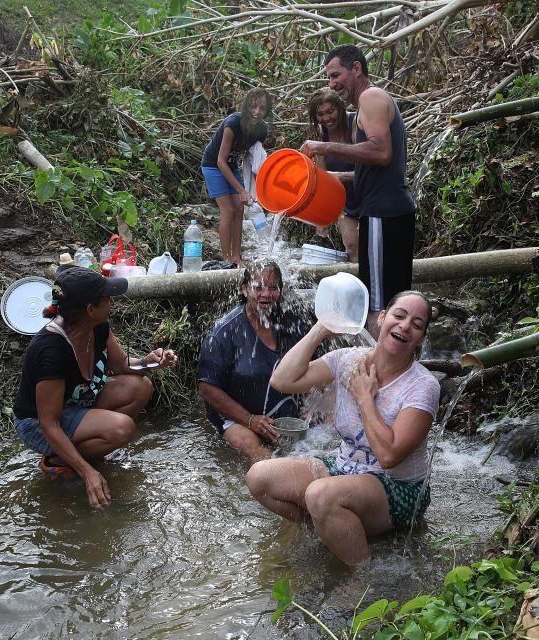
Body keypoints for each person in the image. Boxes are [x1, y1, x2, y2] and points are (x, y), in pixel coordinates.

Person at [246, 291, 440, 566]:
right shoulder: (348, 359)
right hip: (344, 469)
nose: (405, 326)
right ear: (382, 318)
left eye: (417, 325)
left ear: (420, 338)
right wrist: (321, 328)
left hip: (398, 488)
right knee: (259, 477)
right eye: (399, 315)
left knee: (319, 494)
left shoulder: (422, 386)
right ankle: (333, 527)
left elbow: (389, 456)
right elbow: (282, 379)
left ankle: (360, 577)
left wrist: (364, 399)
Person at [12, 267, 178, 508]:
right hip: (38, 424)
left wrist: (150, 362)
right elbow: (49, 423)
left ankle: (89, 449)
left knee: (140, 386)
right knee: (121, 428)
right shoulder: (51, 351)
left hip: (76, 403)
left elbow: (121, 364)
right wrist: (87, 473)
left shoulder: (97, 327)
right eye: (107, 299)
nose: (112, 302)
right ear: (91, 309)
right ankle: (58, 460)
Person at [299, 45, 417, 333]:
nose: (332, 83)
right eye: (328, 78)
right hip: (392, 209)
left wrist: (323, 146)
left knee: (377, 305)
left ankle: (381, 371)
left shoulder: (371, 97)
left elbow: (381, 152)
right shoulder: (369, 102)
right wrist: (337, 177)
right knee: (396, 300)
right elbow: (377, 166)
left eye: (336, 74)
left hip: (381, 212)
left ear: (356, 69)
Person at [198, 260, 310, 462]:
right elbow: (207, 389)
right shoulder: (223, 333)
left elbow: (312, 366)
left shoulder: (292, 322)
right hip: (237, 420)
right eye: (258, 287)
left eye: (273, 287)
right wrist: (250, 420)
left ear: (281, 290)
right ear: (244, 289)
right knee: (261, 457)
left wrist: (310, 405)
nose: (266, 294)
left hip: (285, 419)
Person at [201, 87, 273, 266]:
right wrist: (241, 189)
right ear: (247, 105)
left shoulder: (262, 130)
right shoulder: (233, 123)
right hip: (213, 165)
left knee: (239, 210)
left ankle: (236, 257)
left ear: (267, 111)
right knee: (228, 210)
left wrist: (254, 189)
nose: (257, 112)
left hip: (232, 166)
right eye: (253, 106)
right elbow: (220, 161)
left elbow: (254, 159)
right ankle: (226, 259)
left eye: (262, 108)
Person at [306, 88, 358, 261]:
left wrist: (341, 176)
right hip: (345, 201)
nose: (327, 118)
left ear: (340, 108)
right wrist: (321, 217)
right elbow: (323, 178)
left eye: (331, 111)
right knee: (351, 246)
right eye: (320, 114)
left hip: (368, 194)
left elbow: (369, 171)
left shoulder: (355, 123)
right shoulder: (320, 135)